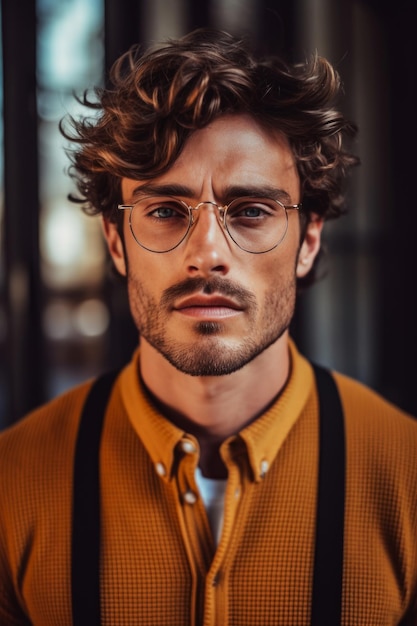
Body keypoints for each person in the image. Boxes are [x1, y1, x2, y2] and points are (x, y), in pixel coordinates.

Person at [0, 27, 416, 626]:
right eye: (166, 212)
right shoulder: (13, 484)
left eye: (250, 211)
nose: (208, 254)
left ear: (310, 240)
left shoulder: (407, 476)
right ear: (116, 242)